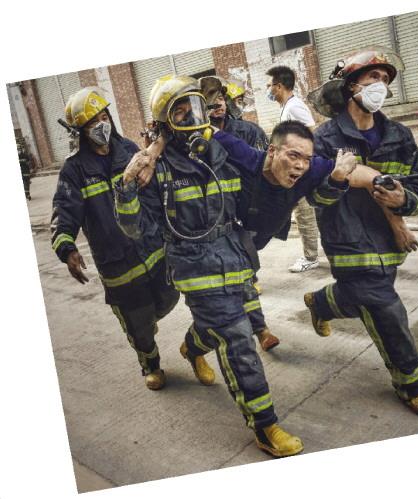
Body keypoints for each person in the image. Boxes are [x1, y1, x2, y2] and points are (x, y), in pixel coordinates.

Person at [116, 74, 303, 457]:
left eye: (195, 108)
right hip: (193, 265)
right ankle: (264, 425)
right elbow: (135, 228)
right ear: (166, 123)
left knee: (216, 328)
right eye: (180, 112)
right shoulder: (157, 170)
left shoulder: (223, 154)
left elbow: (255, 201)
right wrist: (128, 186)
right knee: (236, 338)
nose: (192, 117)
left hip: (234, 256)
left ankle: (191, 348)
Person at [304, 47, 418, 418]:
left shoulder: (399, 135)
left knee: (365, 299)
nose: (380, 84)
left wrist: (404, 200)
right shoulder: (325, 138)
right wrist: (337, 178)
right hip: (347, 240)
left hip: (387, 243)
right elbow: (315, 197)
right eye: (372, 77)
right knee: (386, 308)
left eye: (384, 79)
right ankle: (412, 384)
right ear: (352, 86)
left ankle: (322, 303)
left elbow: (417, 187)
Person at [50, 87, 205, 391]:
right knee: (137, 323)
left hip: (152, 249)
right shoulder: (74, 170)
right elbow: (64, 210)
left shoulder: (128, 150)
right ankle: (151, 365)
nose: (101, 124)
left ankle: (148, 322)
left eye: (104, 116)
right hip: (117, 263)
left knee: (167, 299)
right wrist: (66, 248)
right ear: (80, 131)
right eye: (92, 122)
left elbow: (156, 192)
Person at [199, 76, 279, 351]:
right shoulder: (195, 140)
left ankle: (259, 329)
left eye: (221, 98)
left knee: (245, 273)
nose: (219, 105)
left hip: (247, 212)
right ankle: (261, 330)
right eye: (211, 102)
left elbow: (267, 168)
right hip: (216, 221)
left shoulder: (249, 131)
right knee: (241, 278)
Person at [265, 65, 320, 273]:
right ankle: (312, 253)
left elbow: (311, 135)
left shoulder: (294, 107)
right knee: (302, 212)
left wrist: (304, 165)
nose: (268, 90)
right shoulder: (287, 107)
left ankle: (310, 257)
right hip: (296, 169)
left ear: (279, 86)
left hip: (301, 171)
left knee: (304, 212)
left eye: (269, 86)